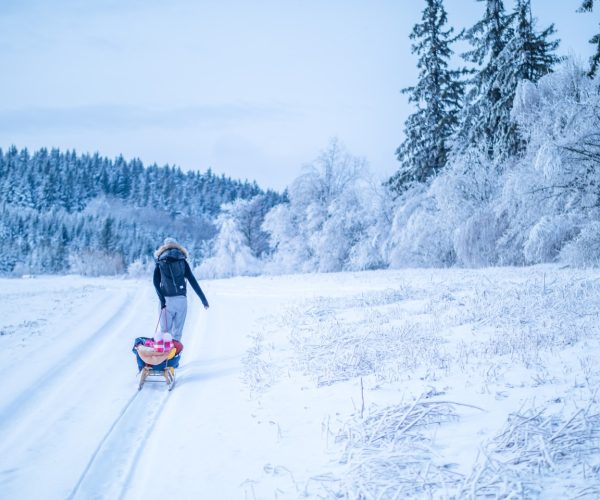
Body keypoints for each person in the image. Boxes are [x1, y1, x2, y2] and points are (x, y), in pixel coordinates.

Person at [153, 237, 209, 342]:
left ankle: (165, 357)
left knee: (165, 332)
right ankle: (175, 355)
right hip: (181, 300)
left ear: (164, 246)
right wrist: (204, 300)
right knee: (177, 333)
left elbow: (155, 283)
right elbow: (193, 281)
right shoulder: (182, 260)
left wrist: (162, 300)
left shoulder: (160, 261)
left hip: (166, 300)